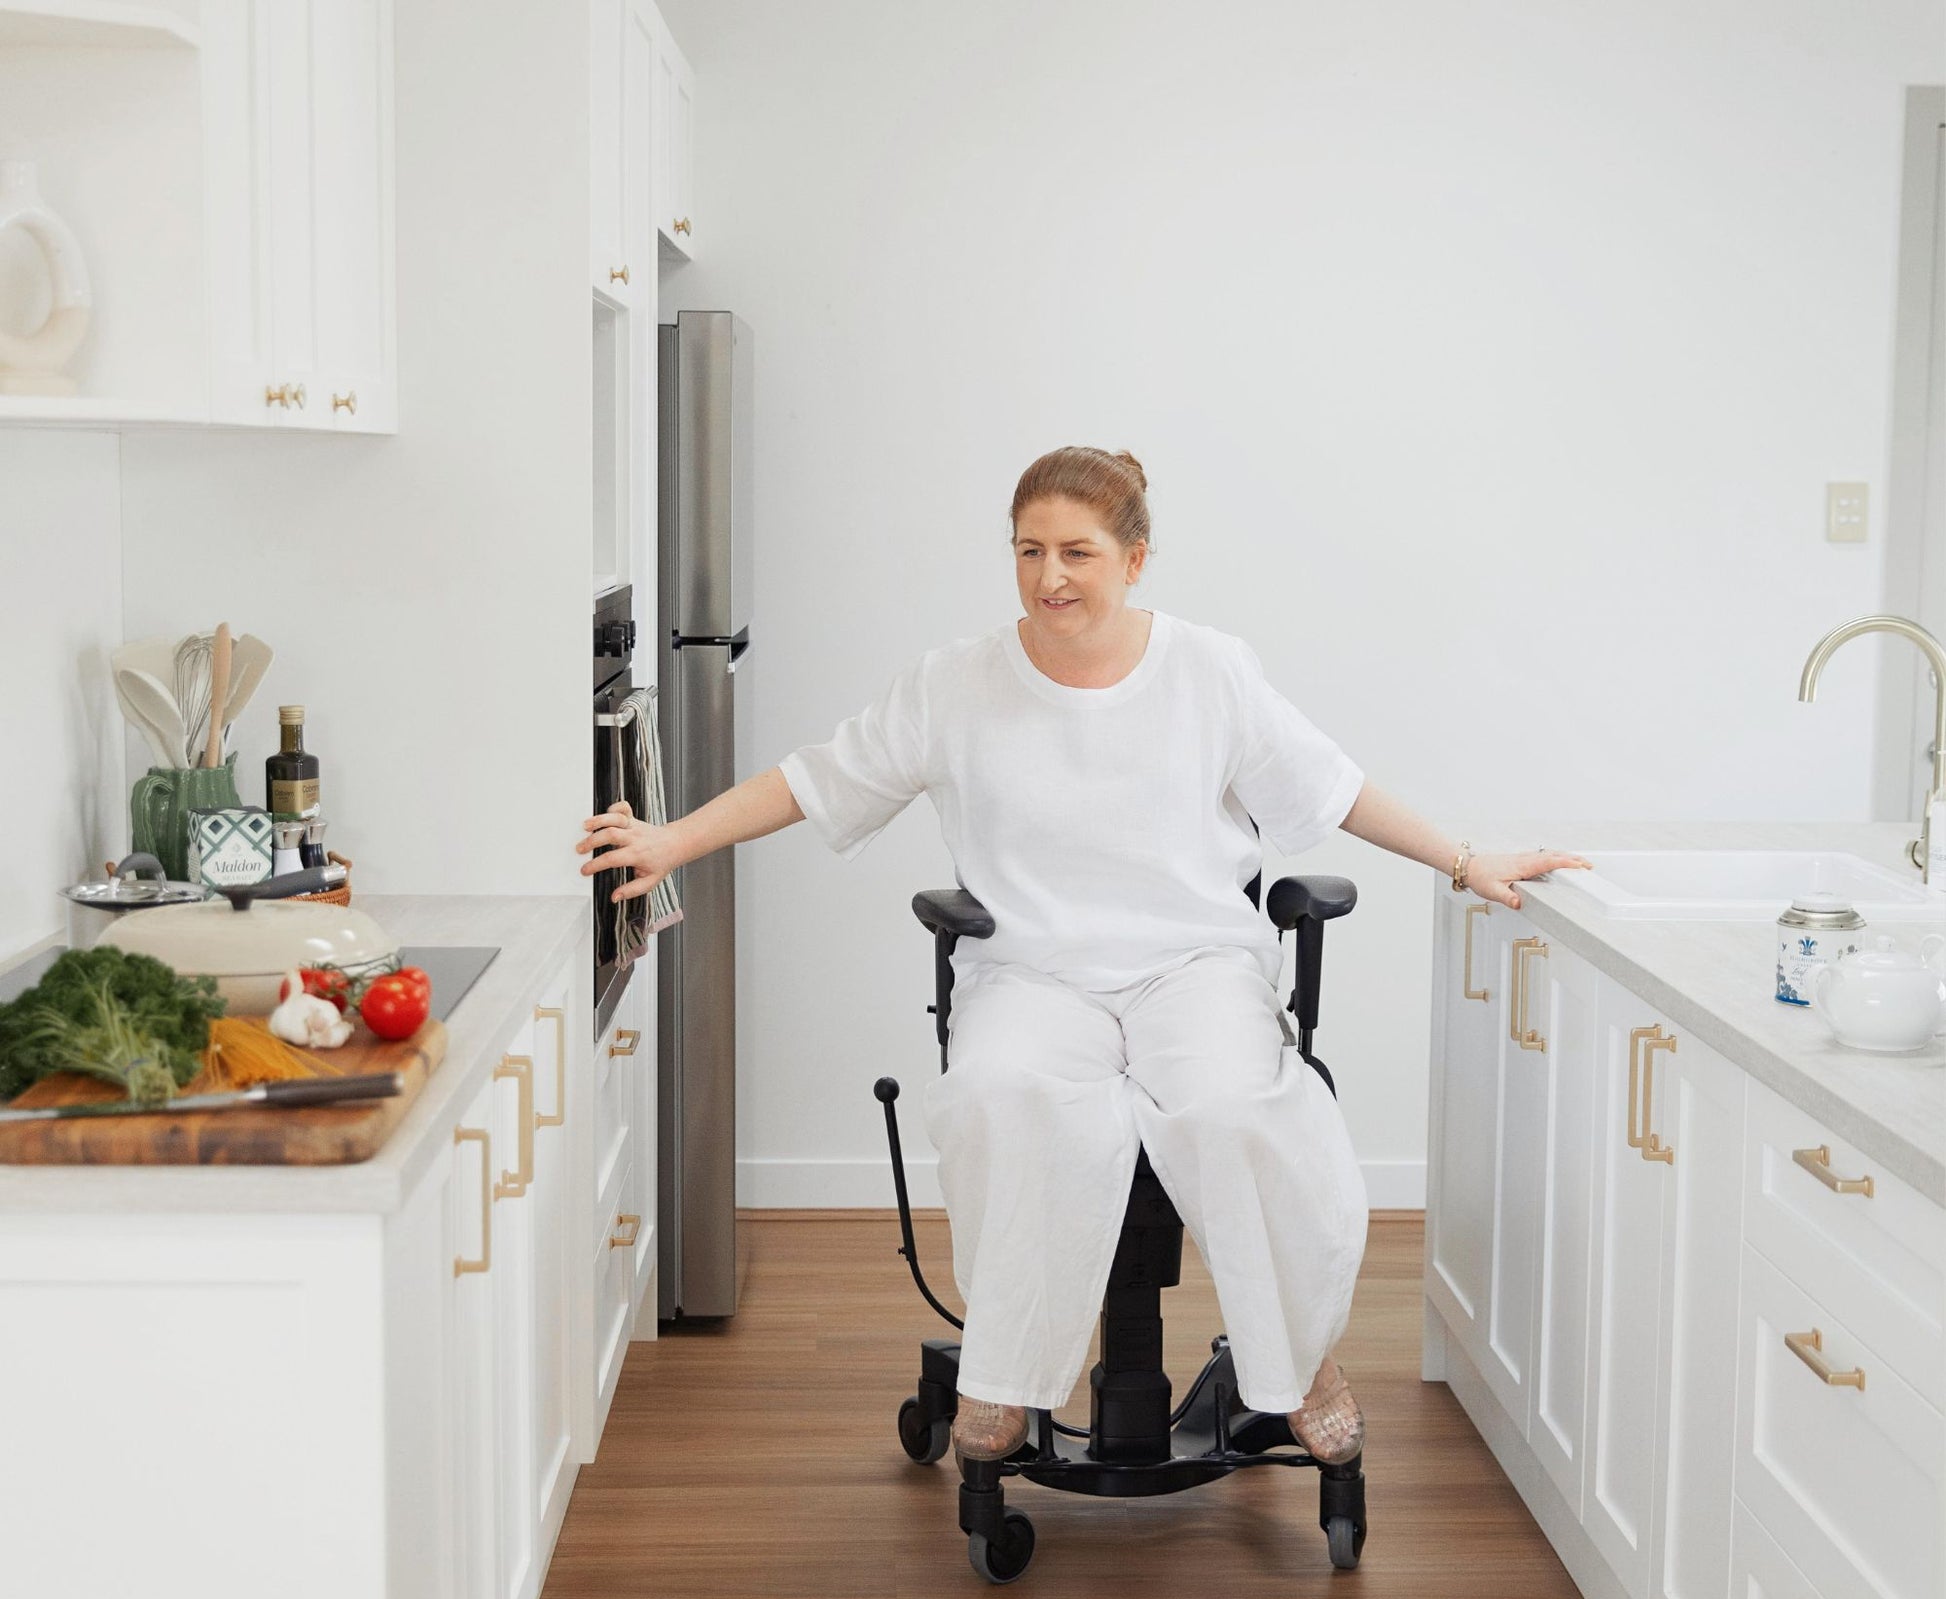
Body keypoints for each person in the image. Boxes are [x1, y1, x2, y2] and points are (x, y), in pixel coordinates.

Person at [577, 446, 1589, 1467]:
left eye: (1076, 551)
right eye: (1027, 550)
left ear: (1134, 557)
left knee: (1236, 1109)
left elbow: (1332, 789)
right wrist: (670, 838)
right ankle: (1004, 1377)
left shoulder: (1208, 669)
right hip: (1034, 973)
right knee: (997, 1094)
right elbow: (815, 779)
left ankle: (1296, 1363)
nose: (1049, 575)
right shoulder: (956, 682)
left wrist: (1464, 860)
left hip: (1191, 967)